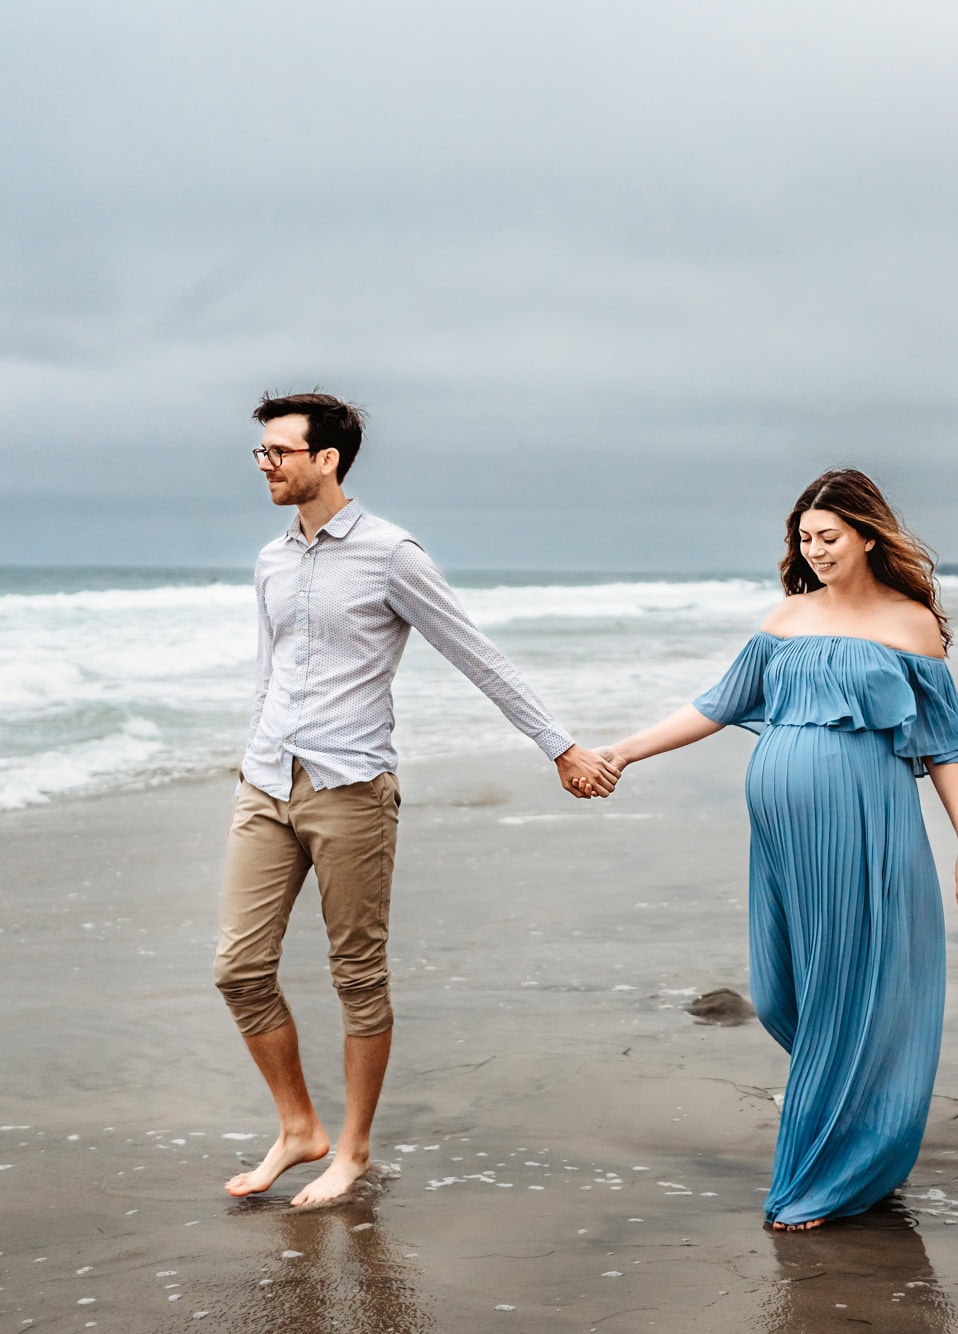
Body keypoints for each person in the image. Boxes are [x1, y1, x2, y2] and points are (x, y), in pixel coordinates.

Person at [216, 391, 620, 1209]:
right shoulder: (270, 559)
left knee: (356, 973)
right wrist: (253, 755)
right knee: (238, 968)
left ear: (326, 460)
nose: (265, 465)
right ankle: (298, 1127)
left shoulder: (392, 554)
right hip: (266, 783)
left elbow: (478, 656)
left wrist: (562, 747)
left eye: (279, 452)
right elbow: (268, 671)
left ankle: (352, 1149)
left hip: (351, 787)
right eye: (260, 452)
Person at [599, 467, 958, 1231]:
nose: (814, 550)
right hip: (782, 837)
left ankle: (820, 1181)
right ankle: (856, 1129)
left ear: (868, 536)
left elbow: (946, 745)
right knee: (784, 996)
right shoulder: (785, 618)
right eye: (804, 539)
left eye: (829, 537)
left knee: (846, 994)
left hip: (864, 824)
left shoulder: (913, 625)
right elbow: (714, 707)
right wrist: (621, 751)